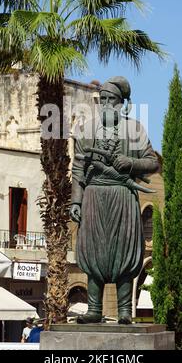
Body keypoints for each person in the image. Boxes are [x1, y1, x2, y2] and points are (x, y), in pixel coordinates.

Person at [70, 76, 159, 325]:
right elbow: (78, 168)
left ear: (123, 103)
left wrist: (131, 163)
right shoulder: (88, 129)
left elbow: (152, 162)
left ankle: (124, 311)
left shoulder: (135, 130)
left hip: (123, 195)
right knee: (94, 250)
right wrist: (75, 202)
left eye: (113, 100)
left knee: (124, 251)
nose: (108, 104)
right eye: (104, 100)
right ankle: (94, 309)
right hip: (94, 196)